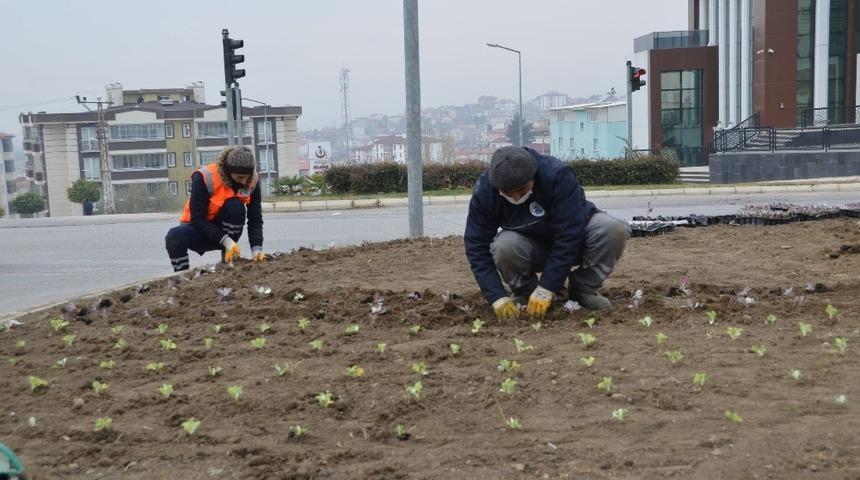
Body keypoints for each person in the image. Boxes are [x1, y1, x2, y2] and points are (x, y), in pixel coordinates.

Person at [464, 146, 630, 319]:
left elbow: (569, 234)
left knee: (612, 229)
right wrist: (496, 296)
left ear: (533, 176)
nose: (515, 198)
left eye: (521, 191)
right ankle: (525, 292)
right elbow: (476, 247)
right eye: (508, 193)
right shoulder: (485, 191)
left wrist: (548, 287)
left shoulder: (557, 175)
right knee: (504, 245)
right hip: (530, 248)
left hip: (576, 243)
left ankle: (584, 289)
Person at [165, 146, 266, 271]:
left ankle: (229, 259)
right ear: (228, 172)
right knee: (174, 236)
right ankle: (181, 273)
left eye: (247, 177)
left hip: (227, 231)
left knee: (235, 205)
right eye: (239, 177)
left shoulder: (252, 181)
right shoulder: (204, 177)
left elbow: (255, 218)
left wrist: (257, 249)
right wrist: (225, 241)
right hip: (199, 228)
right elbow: (197, 218)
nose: (244, 181)